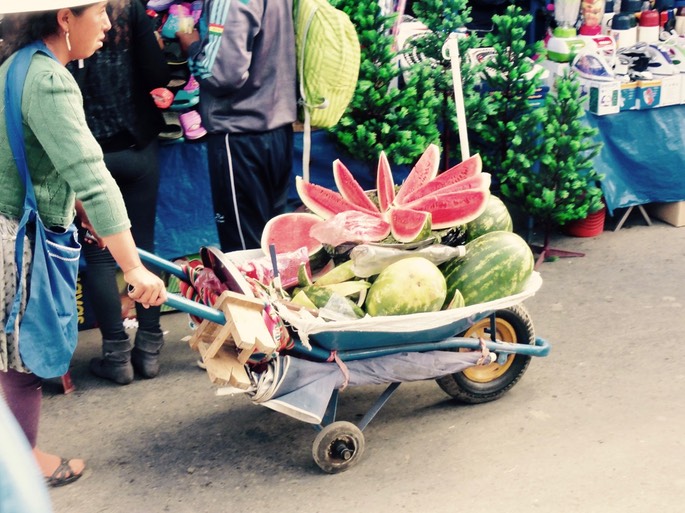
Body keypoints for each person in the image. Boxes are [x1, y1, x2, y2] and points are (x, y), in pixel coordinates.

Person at [0, 0, 167, 487]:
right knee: (30, 359)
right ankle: (23, 463)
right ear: (64, 18)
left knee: (11, 356)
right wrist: (133, 269)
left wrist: (73, 209)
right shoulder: (50, 79)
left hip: (10, 228)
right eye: (100, 12)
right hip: (20, 243)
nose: (110, 25)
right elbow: (94, 179)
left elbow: (31, 156)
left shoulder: (18, 64)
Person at [67, 0, 171, 385]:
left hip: (87, 152)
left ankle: (116, 354)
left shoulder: (60, 18)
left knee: (98, 256)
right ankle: (148, 347)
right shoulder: (128, 9)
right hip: (135, 145)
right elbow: (156, 72)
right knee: (142, 246)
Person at [176, 0, 297, 252]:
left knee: (246, 253)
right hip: (275, 127)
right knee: (270, 244)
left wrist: (192, 46)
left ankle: (255, 293)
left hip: (240, 134)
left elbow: (221, 73)